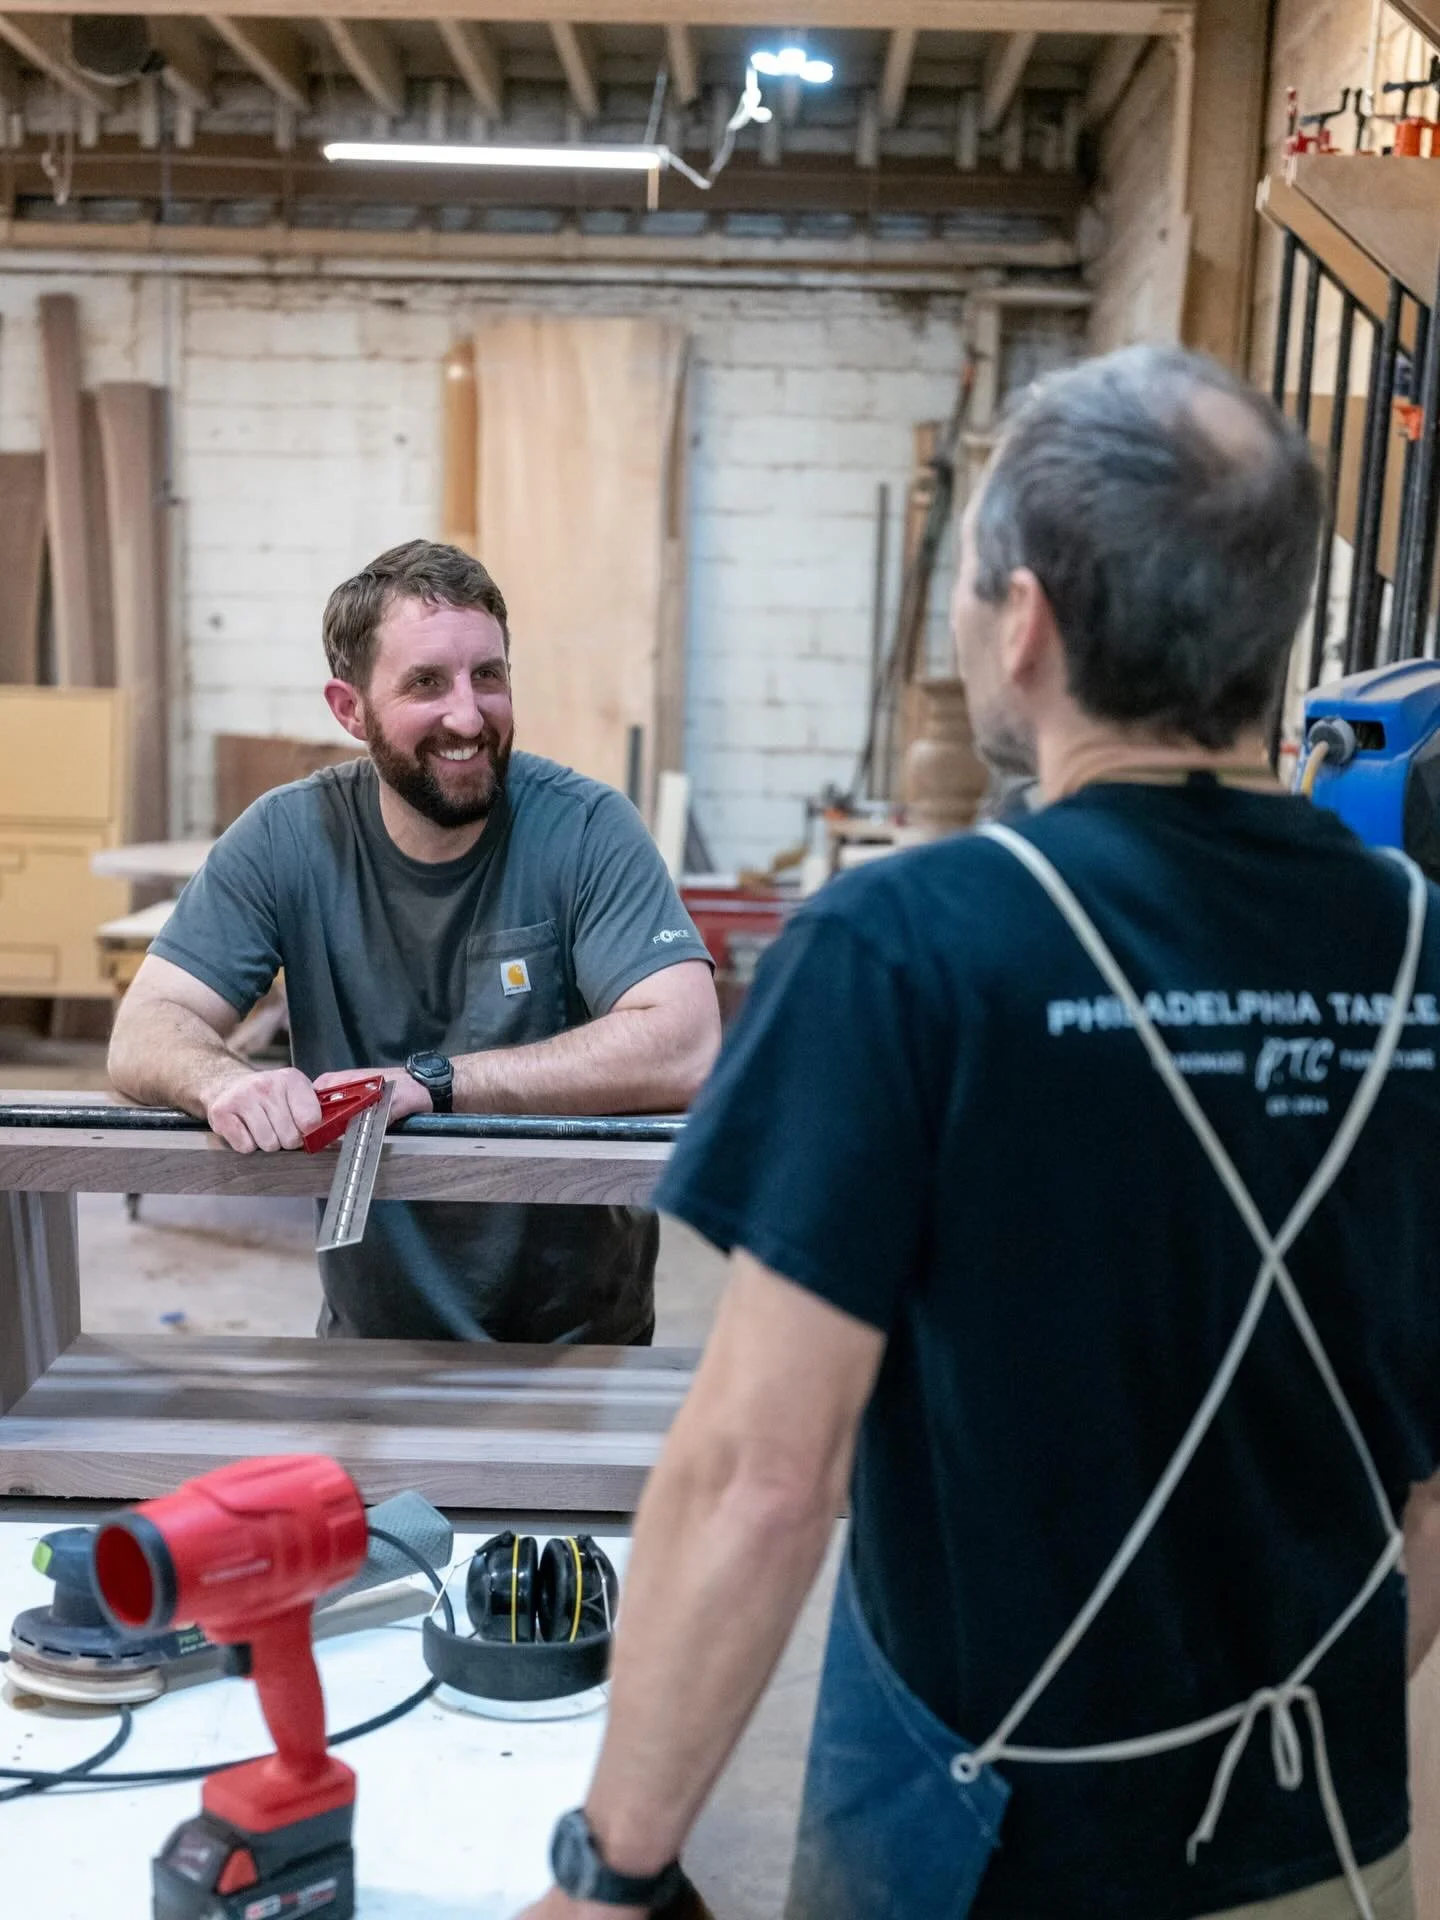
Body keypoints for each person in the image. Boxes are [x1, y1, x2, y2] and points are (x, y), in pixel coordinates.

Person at [513, 347, 1440, 1920]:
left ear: (1025, 627)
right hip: (1328, 1835)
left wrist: (617, 1864)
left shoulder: (905, 948)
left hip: (983, 1843)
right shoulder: (1420, 942)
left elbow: (759, 1477)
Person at [108, 540, 720, 1344]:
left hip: (584, 1347)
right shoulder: (286, 838)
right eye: (427, 683)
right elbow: (145, 1028)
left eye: (488, 677)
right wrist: (221, 1082)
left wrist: (430, 1082)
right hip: (371, 1345)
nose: (468, 716)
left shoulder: (586, 828)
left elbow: (685, 1046)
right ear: (349, 708)